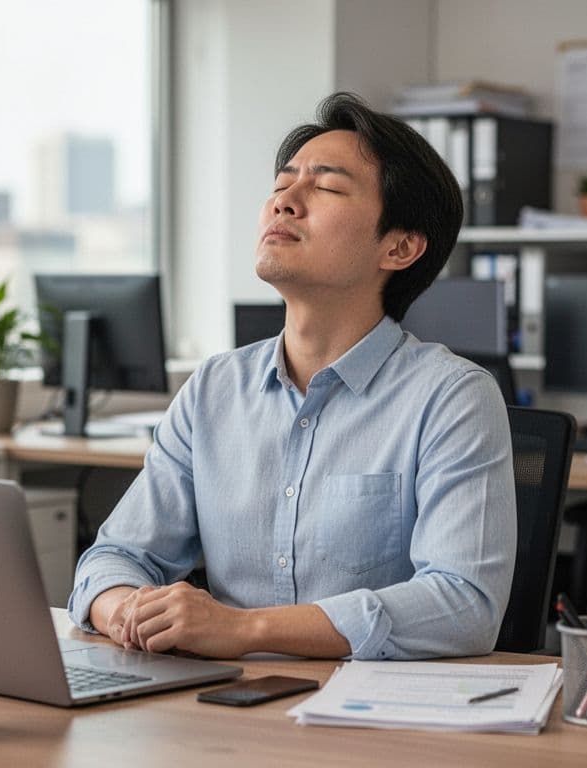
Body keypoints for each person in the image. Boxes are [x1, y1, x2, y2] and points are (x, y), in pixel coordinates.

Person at [69, 92, 516, 661]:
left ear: (400, 246)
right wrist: (128, 610)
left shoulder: (452, 397)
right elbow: (115, 558)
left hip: (366, 722)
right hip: (223, 710)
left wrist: (244, 629)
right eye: (281, 185)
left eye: (325, 187)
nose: (285, 203)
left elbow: (463, 605)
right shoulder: (213, 390)